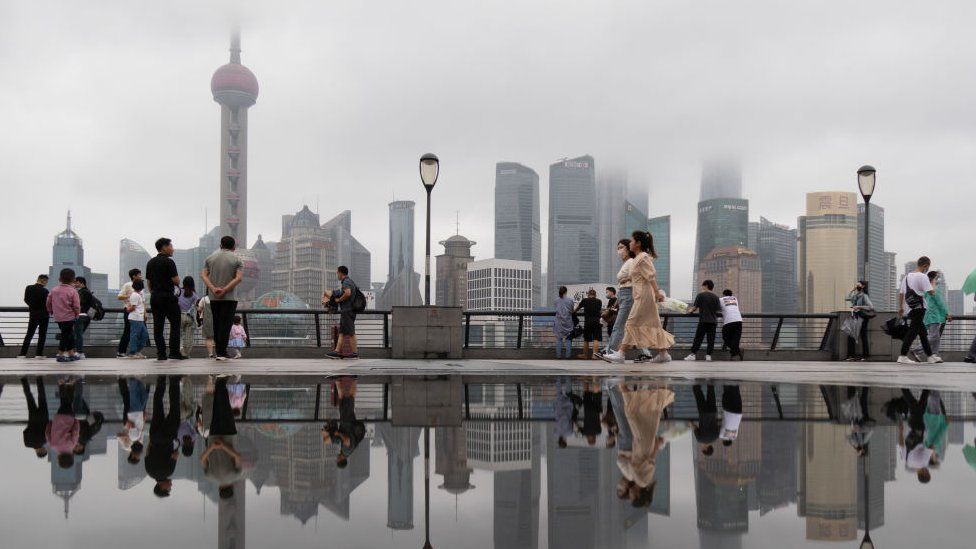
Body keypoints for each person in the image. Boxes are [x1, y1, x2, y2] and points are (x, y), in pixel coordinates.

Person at [604, 232, 673, 364]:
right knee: (654, 324)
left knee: (630, 323)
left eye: (631, 241)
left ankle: (621, 354)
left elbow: (650, 276)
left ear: (638, 243)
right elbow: (638, 274)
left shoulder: (643, 257)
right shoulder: (637, 258)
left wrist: (657, 292)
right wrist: (627, 278)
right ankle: (664, 353)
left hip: (644, 296)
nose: (629, 243)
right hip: (641, 294)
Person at [619, 383, 674, 507]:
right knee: (632, 415)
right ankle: (624, 388)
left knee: (637, 416)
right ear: (638, 495)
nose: (630, 494)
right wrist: (656, 446)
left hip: (640, 445)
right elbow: (650, 461)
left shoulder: (638, 480)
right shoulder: (643, 481)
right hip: (644, 445)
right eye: (632, 497)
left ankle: (628, 389)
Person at [201, 375, 247, 499]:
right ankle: (219, 382)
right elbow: (202, 459)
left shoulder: (236, 476)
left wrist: (224, 446)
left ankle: (222, 380)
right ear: (219, 489)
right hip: (213, 437)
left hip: (229, 435)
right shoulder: (210, 477)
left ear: (231, 487)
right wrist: (213, 447)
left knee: (226, 408)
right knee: (217, 408)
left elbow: (237, 456)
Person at [201, 236, 244, 362]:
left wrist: (213, 289)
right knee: (225, 324)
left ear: (220, 245)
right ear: (234, 247)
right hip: (230, 298)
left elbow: (203, 275)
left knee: (217, 323)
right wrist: (225, 289)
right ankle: (222, 352)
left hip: (213, 297)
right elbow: (239, 278)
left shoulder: (210, 258)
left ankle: (219, 351)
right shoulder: (237, 260)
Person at [146, 237, 185, 361]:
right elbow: (176, 280)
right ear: (164, 247)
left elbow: (149, 282)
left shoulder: (150, 262)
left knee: (158, 327)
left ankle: (161, 354)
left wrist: (154, 293)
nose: (172, 249)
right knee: (175, 324)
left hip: (155, 297)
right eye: (171, 246)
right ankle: (174, 352)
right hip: (168, 297)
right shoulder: (169, 262)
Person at [897, 256, 938, 364]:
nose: (927, 269)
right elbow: (932, 292)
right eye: (928, 266)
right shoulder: (922, 276)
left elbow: (901, 293)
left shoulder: (906, 277)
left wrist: (901, 307)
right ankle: (902, 355)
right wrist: (933, 281)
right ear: (925, 265)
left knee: (922, 333)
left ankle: (930, 356)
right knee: (912, 332)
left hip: (910, 308)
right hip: (919, 308)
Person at [146, 375, 181, 497]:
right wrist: (152, 439)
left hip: (167, 438)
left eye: (168, 489)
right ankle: (160, 380)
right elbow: (148, 451)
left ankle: (174, 381)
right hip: (154, 437)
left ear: (161, 487)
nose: (170, 487)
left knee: (175, 409)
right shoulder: (149, 472)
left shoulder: (168, 471)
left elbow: (175, 455)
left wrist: (176, 445)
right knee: (157, 406)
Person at [321, 377, 366, 468]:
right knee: (350, 398)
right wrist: (338, 433)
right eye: (337, 460)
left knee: (343, 400)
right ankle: (354, 380)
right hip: (347, 423)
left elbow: (344, 440)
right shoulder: (346, 451)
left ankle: (338, 382)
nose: (336, 458)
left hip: (348, 423)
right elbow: (347, 440)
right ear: (341, 460)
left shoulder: (347, 452)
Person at [911, 271, 950, 363]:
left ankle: (934, 355)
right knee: (933, 336)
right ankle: (917, 350)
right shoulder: (934, 289)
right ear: (934, 279)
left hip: (927, 315)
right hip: (933, 316)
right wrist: (947, 313)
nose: (938, 280)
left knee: (936, 337)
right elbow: (940, 303)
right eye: (937, 278)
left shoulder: (926, 289)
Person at [323, 266, 359, 360]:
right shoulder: (349, 281)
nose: (337, 275)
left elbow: (347, 293)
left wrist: (339, 300)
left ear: (341, 273)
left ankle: (355, 353)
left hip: (348, 310)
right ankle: (336, 352)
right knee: (342, 332)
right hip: (347, 310)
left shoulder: (346, 282)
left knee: (351, 332)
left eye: (337, 273)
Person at [46, 268, 80, 363]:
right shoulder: (73, 291)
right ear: (73, 279)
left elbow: (48, 302)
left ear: (60, 278)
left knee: (69, 334)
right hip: (69, 317)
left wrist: (51, 311)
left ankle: (71, 353)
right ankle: (60, 354)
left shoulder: (54, 290)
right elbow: (76, 306)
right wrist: (77, 314)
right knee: (66, 335)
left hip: (58, 316)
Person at [46, 380, 80, 469]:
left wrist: (76, 421)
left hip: (69, 418)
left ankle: (66, 385)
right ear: (59, 459)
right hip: (58, 418)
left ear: (71, 458)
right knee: (65, 403)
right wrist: (50, 424)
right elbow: (47, 434)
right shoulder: (53, 446)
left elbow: (75, 432)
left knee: (67, 403)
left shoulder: (72, 445)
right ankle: (67, 385)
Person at [685, 280, 721, 362]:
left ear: (706, 286)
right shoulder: (716, 297)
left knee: (698, 338)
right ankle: (708, 355)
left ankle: (693, 354)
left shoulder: (701, 295)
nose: (702, 287)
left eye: (703, 286)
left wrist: (689, 311)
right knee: (711, 339)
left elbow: (695, 307)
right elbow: (718, 310)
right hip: (713, 321)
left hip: (703, 320)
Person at [18, 274, 49, 359]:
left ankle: (22, 354)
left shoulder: (29, 288)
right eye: (46, 281)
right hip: (44, 315)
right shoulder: (45, 291)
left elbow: (26, 299)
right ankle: (39, 354)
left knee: (29, 334)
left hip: (33, 314)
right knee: (42, 335)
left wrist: (32, 306)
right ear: (44, 281)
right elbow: (47, 303)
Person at [845, 281, 875, 361]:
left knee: (863, 336)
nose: (857, 286)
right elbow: (846, 298)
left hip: (862, 317)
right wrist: (852, 290)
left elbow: (871, 307)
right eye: (856, 285)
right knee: (851, 335)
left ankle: (865, 355)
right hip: (855, 316)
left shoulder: (864, 296)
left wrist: (859, 306)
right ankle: (850, 355)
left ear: (863, 286)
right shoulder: (855, 296)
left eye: (859, 285)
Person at [116, 268, 143, 358]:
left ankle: (136, 352)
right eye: (139, 274)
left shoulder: (141, 286)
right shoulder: (128, 285)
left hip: (139, 313)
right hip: (129, 310)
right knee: (127, 331)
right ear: (133, 276)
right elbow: (119, 296)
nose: (140, 276)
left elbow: (142, 301)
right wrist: (130, 296)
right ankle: (121, 352)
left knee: (141, 332)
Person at [21, 377, 49, 458]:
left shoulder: (45, 440)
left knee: (42, 397)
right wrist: (30, 426)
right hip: (32, 419)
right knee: (29, 397)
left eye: (44, 450)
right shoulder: (28, 444)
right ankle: (24, 380)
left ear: (42, 451)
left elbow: (47, 429)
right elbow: (25, 432)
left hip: (43, 417)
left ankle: (39, 379)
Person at [689, 384, 719, 456]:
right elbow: (695, 427)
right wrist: (690, 423)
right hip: (703, 414)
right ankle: (697, 385)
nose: (701, 447)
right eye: (702, 448)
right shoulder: (700, 439)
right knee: (699, 396)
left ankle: (710, 383)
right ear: (705, 449)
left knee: (711, 394)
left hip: (713, 413)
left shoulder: (716, 436)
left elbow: (718, 425)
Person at [574, 289, 603, 360]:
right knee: (596, 338)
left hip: (588, 322)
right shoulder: (599, 301)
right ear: (595, 295)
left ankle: (585, 355)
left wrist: (574, 311)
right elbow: (600, 311)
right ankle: (594, 355)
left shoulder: (585, 300)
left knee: (586, 339)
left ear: (588, 294)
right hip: (596, 321)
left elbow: (577, 308)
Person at [125, 280, 150, 358]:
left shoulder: (138, 294)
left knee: (144, 334)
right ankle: (133, 353)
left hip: (139, 318)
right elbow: (133, 307)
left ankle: (137, 351)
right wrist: (128, 310)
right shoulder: (135, 295)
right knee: (135, 335)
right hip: (135, 318)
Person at [71, 276, 94, 360]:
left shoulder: (82, 292)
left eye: (76, 282)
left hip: (81, 315)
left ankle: (79, 352)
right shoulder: (86, 291)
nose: (74, 284)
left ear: (81, 283)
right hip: (85, 316)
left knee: (78, 334)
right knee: (77, 334)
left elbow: (79, 304)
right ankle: (75, 351)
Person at [554, 378, 580, 448]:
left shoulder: (569, 433)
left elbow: (571, 421)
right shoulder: (556, 433)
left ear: (565, 441)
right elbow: (556, 422)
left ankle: (568, 378)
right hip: (559, 410)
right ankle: (558, 379)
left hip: (568, 409)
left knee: (568, 392)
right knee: (559, 393)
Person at [178, 276, 199, 358]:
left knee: (177, 335)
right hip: (189, 317)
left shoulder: (179, 291)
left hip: (178, 316)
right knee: (188, 336)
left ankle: (179, 350)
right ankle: (186, 353)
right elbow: (197, 306)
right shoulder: (194, 294)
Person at [720, 289, 744, 361]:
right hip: (738, 320)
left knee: (725, 338)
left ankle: (736, 352)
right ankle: (736, 353)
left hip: (728, 321)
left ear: (724, 294)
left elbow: (717, 308)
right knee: (736, 339)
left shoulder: (721, 299)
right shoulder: (735, 299)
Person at [553, 286, 575, 359]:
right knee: (568, 339)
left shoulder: (556, 300)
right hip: (568, 321)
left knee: (559, 339)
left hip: (559, 321)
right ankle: (568, 356)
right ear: (566, 291)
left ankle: (558, 356)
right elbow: (572, 310)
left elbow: (556, 309)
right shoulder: (570, 300)